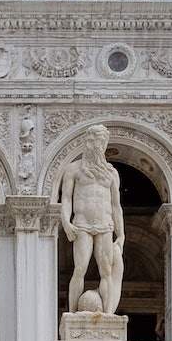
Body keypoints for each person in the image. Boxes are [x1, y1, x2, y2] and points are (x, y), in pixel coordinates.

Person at [58, 124, 125, 315]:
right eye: (96, 141)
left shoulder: (111, 173)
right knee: (80, 269)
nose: (99, 146)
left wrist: (121, 234)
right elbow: (66, 198)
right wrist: (66, 221)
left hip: (105, 225)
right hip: (82, 225)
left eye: (102, 142)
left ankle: (107, 314)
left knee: (106, 271)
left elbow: (115, 205)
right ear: (87, 143)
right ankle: (72, 314)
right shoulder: (73, 169)